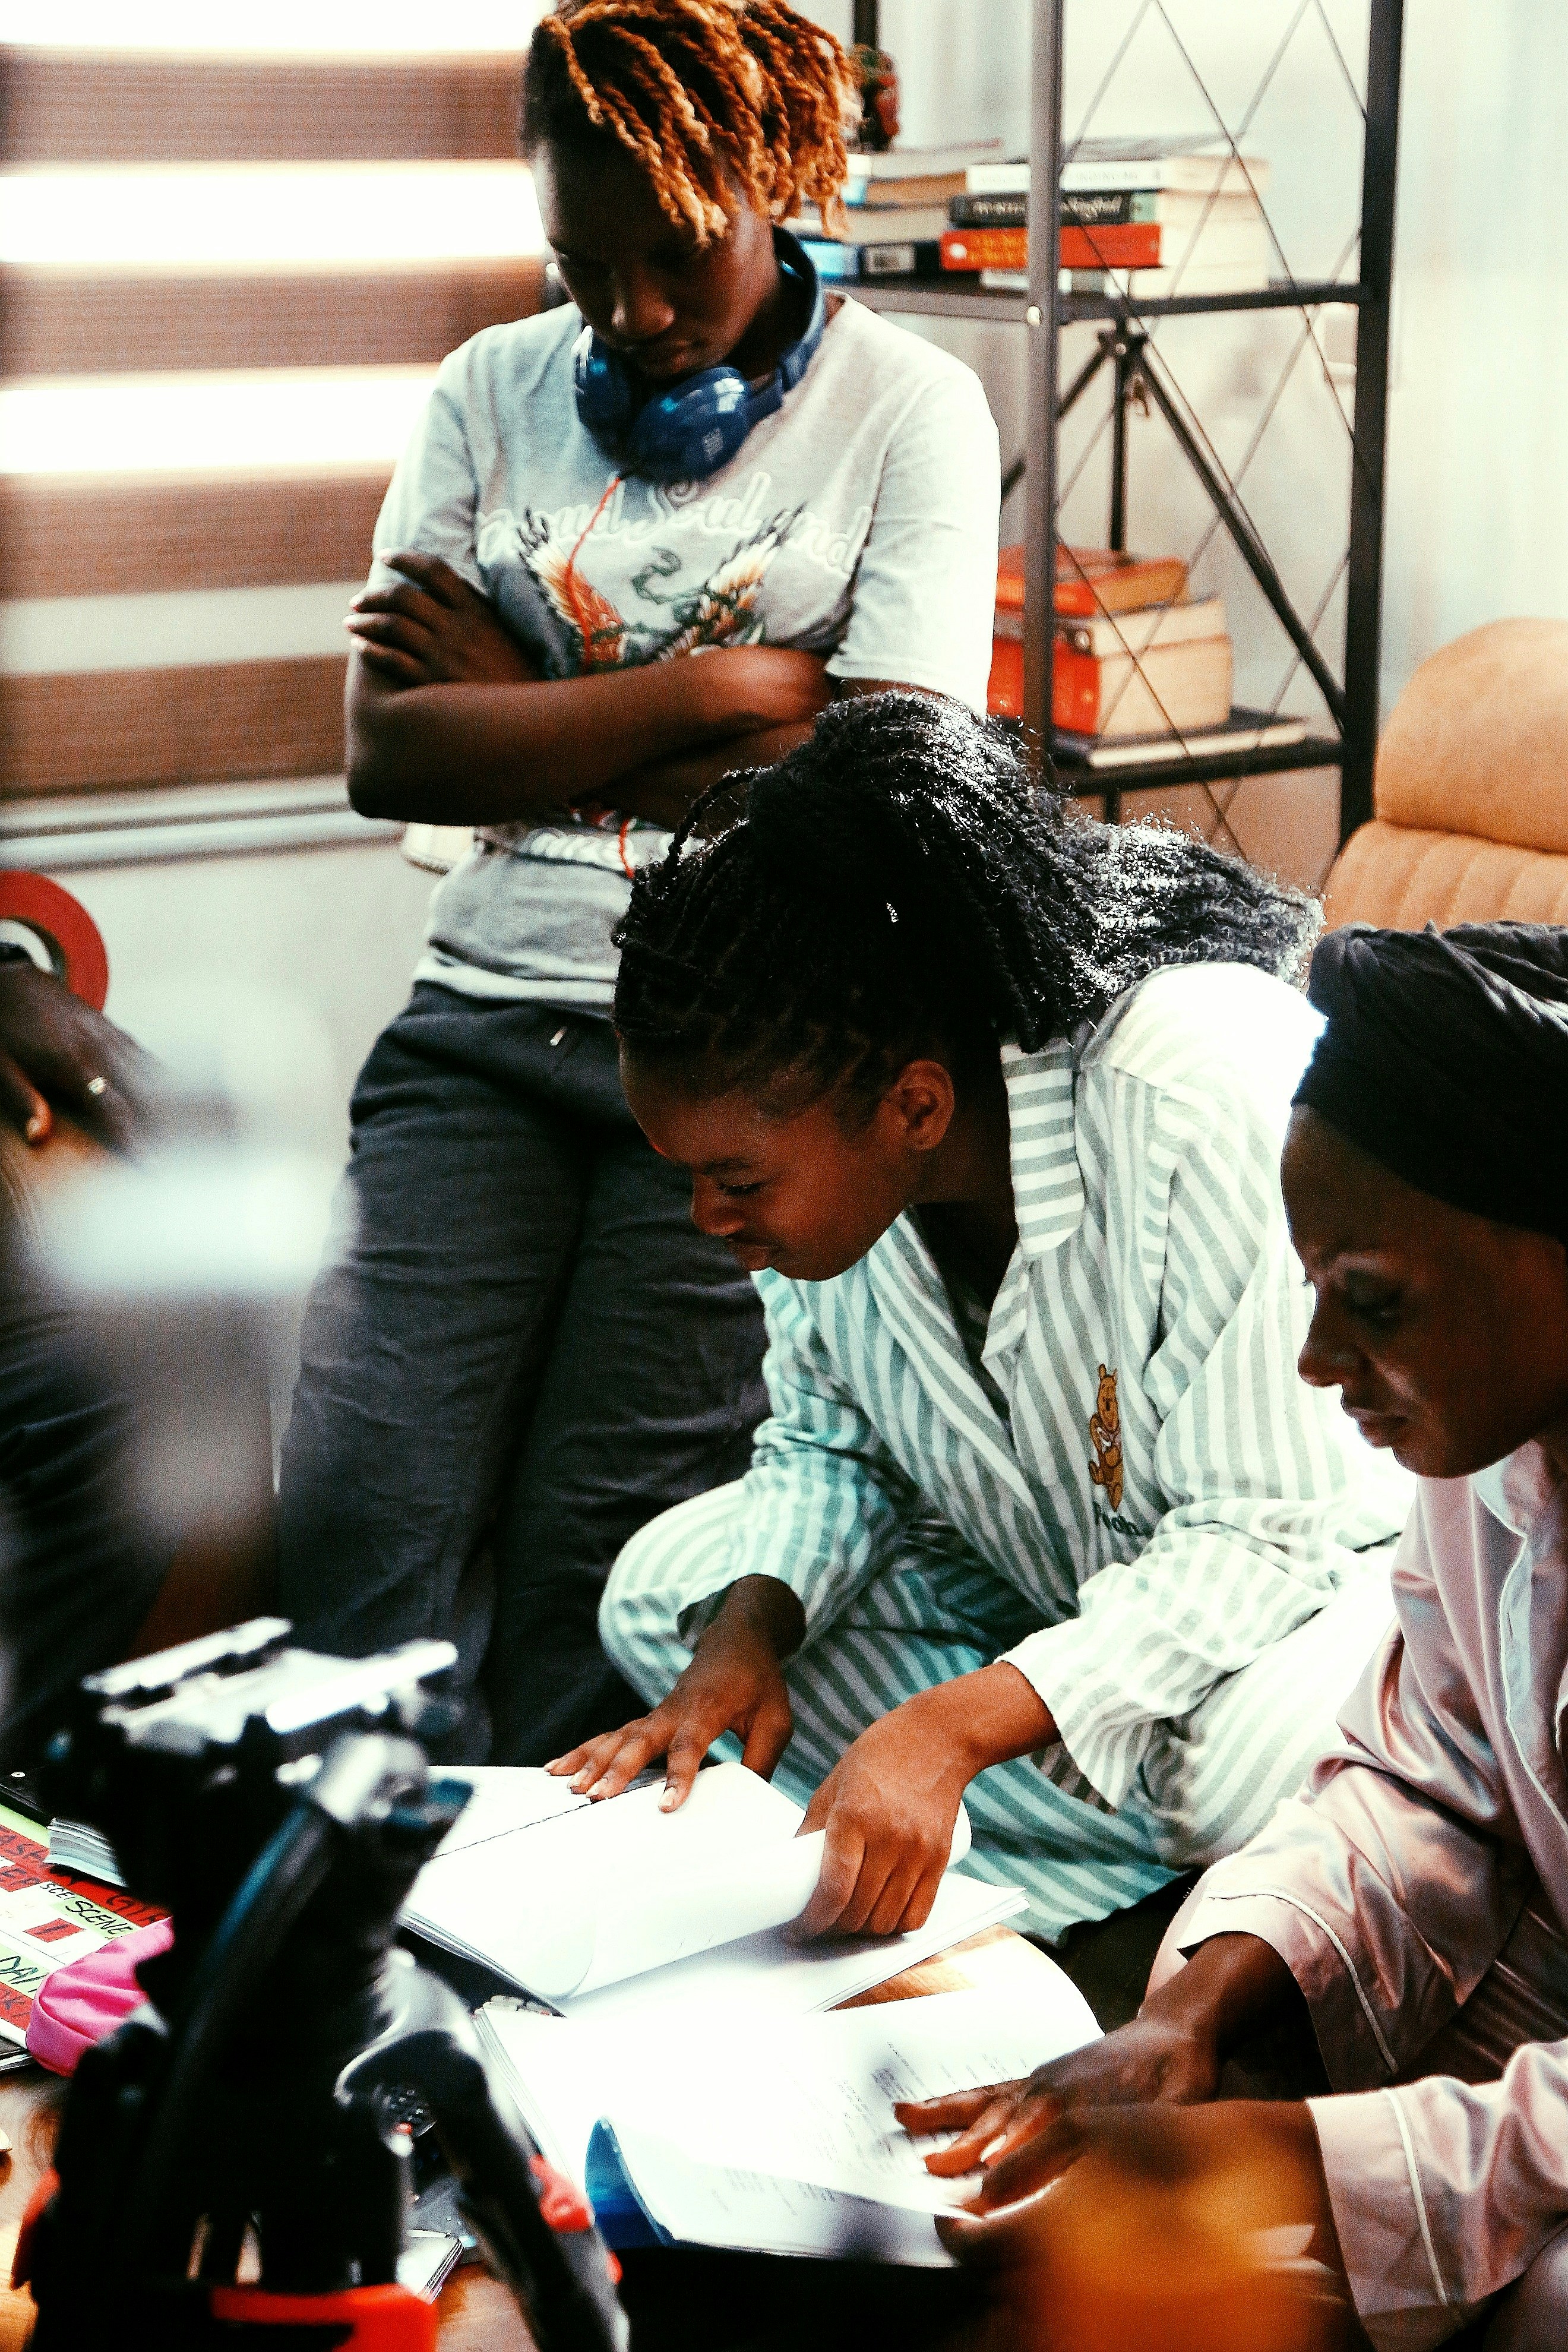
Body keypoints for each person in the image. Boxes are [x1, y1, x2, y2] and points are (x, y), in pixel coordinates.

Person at [274, 0, 1001, 1763]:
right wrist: (722, 693)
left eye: (671, 256)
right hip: (481, 1038)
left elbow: (889, 776)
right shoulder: (487, 393)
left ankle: (515, 2001)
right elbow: (392, 747)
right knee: (358, 1526)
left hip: (744, 1078)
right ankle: (312, 1970)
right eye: (576, 260)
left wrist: (520, 709)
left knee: (600, 1580)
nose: (628, 314)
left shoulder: (910, 410)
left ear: (774, 180)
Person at [551, 694, 1410, 1942]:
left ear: (914, 1105)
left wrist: (953, 1726)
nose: (707, 1221)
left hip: (1321, 1586)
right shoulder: (837, 1181)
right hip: (1067, 1579)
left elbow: (1267, 1536)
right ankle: (1046, 1863)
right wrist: (749, 1631)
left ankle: (997, 1844)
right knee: (663, 1593)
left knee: (1235, 1777)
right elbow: (832, 1447)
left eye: (736, 1184)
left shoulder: (1196, 1080)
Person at [900, 921, 1568, 2352]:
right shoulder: (1479, 1458)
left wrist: (1295, 2165)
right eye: (1311, 1289)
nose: (1319, 1363)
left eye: (1370, 1299)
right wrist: (1206, 2007)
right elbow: (1426, 1779)